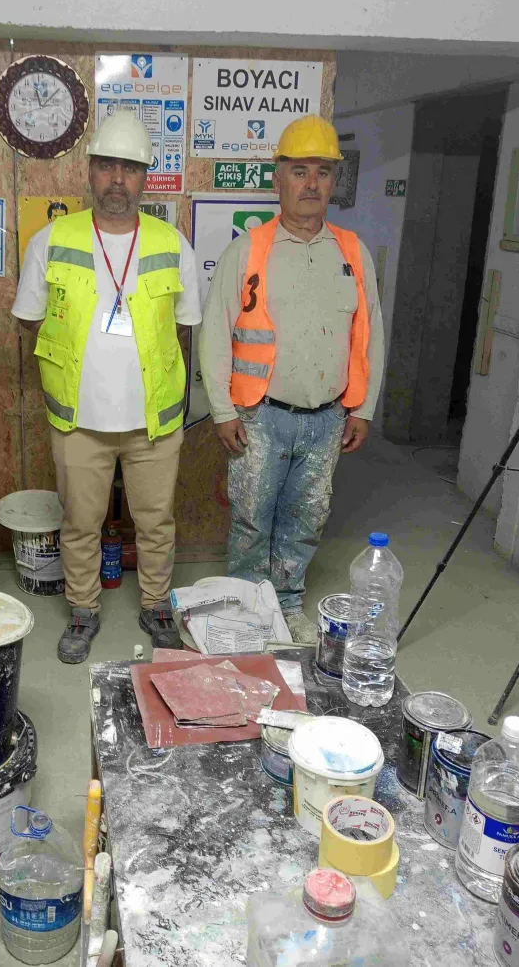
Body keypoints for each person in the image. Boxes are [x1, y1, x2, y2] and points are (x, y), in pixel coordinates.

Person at [13, 112, 201, 663]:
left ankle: (156, 606)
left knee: (156, 522)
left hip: (153, 421)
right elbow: (30, 319)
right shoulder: (53, 239)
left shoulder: (173, 245)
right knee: (80, 523)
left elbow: (184, 327)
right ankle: (83, 610)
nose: (118, 179)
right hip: (79, 419)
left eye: (131, 168)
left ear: (146, 177)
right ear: (89, 170)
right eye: (107, 166)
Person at [199, 115, 384, 642]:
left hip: (327, 420)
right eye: (299, 171)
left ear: (334, 180)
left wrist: (364, 408)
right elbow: (214, 334)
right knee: (251, 520)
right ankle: (245, 609)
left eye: (322, 172)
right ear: (277, 177)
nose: (311, 183)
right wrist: (222, 410)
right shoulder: (248, 250)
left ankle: (285, 605)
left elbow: (370, 333)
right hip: (260, 416)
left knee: (305, 520)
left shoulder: (353, 253)